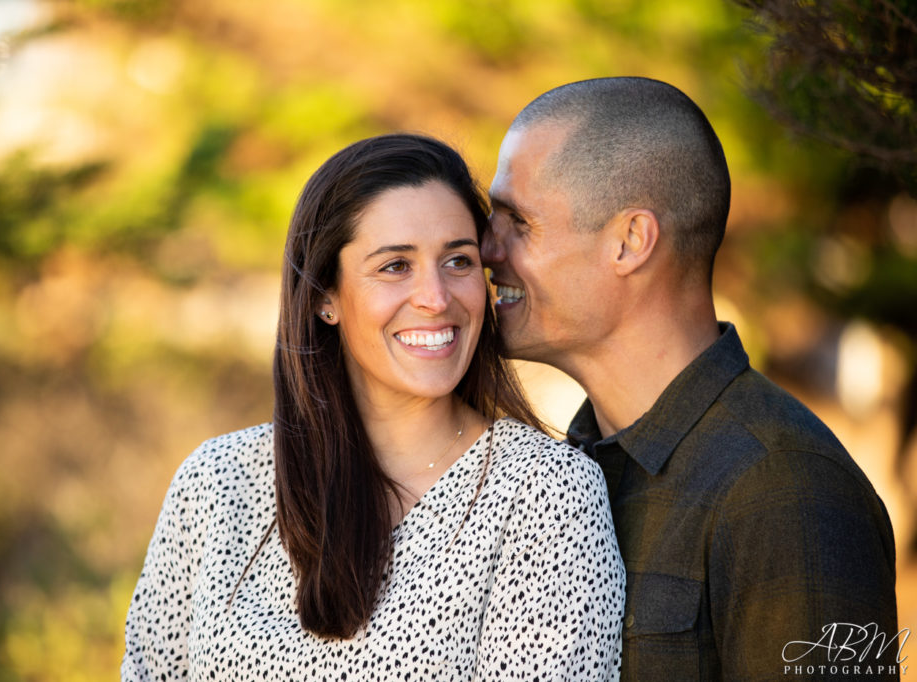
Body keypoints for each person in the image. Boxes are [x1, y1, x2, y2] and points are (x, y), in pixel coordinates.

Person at [123, 133, 625, 681]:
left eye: (458, 260)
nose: (436, 297)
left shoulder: (546, 494)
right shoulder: (216, 483)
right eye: (395, 267)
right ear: (325, 296)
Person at [481, 78, 899, 681]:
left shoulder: (786, 489)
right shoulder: (563, 477)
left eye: (516, 221)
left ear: (630, 241)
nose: (485, 249)